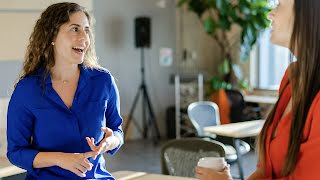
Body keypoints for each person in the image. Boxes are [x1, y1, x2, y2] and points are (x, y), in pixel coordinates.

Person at [196, 0, 320, 179]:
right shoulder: (293, 76)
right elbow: (266, 170)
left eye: (279, 5)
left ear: (309, 13)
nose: (270, 14)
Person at [6, 2, 123, 179]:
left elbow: (117, 131)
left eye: (86, 29)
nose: (84, 37)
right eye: (75, 29)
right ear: (52, 35)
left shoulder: (103, 81)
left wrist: (110, 141)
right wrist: (60, 159)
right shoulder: (27, 90)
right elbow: (16, 152)